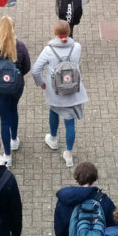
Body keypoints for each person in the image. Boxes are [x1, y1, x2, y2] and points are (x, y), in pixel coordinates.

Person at [31, 19, 88, 168]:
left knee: (54, 111)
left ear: (55, 33)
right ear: (68, 32)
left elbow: (35, 70)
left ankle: (54, 139)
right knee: (70, 122)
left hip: (55, 92)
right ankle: (68, 154)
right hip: (73, 91)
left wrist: (42, 83)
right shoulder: (77, 47)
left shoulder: (48, 50)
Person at [0, 16, 31, 163]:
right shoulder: (20, 46)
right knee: (13, 110)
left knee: (4, 119)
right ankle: (14, 139)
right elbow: (27, 67)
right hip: (16, 87)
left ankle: (7, 155)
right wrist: (18, 77)